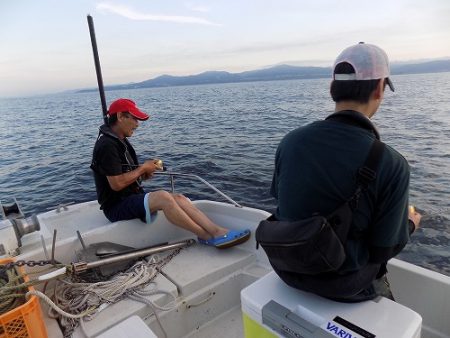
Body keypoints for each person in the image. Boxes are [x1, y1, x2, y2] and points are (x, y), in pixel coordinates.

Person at [270, 42, 421, 302]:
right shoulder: (391, 163)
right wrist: (410, 223)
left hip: (287, 270)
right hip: (345, 286)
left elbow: (281, 200)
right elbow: (384, 249)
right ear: (378, 88)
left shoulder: (290, 141)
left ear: (332, 88)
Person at [90, 98, 250, 249]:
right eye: (135, 119)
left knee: (178, 197)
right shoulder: (107, 145)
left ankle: (217, 231)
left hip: (129, 198)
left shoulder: (119, 140)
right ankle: (205, 236)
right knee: (164, 197)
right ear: (120, 116)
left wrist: (142, 174)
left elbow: (124, 174)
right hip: (116, 207)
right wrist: (143, 168)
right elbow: (116, 184)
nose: (137, 125)